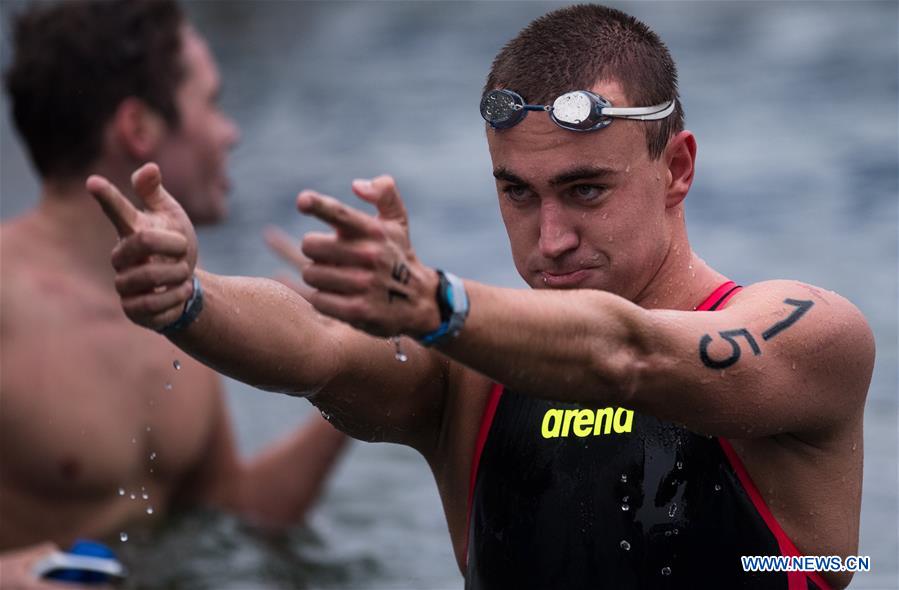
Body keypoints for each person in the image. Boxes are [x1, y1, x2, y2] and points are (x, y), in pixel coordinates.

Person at [86, 4, 874, 589]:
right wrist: (187, 295)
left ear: (676, 169)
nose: (551, 236)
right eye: (518, 194)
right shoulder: (471, 384)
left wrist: (436, 304)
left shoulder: (809, 337)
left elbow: (628, 354)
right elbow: (315, 347)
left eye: (585, 190)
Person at [0, 0, 346, 586]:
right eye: (210, 103)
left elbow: (240, 514)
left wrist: (351, 359)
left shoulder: (185, 310)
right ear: (139, 129)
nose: (229, 131)